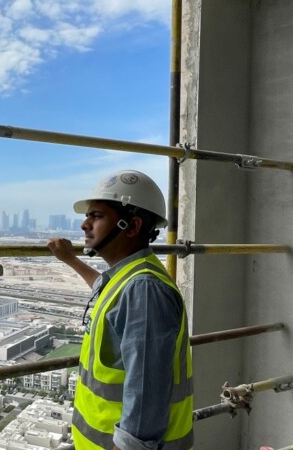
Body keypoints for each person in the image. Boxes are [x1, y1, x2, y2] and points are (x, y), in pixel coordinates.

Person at [47, 170, 193, 450]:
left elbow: (146, 395)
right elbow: (103, 286)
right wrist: (70, 260)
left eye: (96, 216)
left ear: (132, 226)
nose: (84, 225)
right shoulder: (128, 279)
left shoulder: (144, 290)